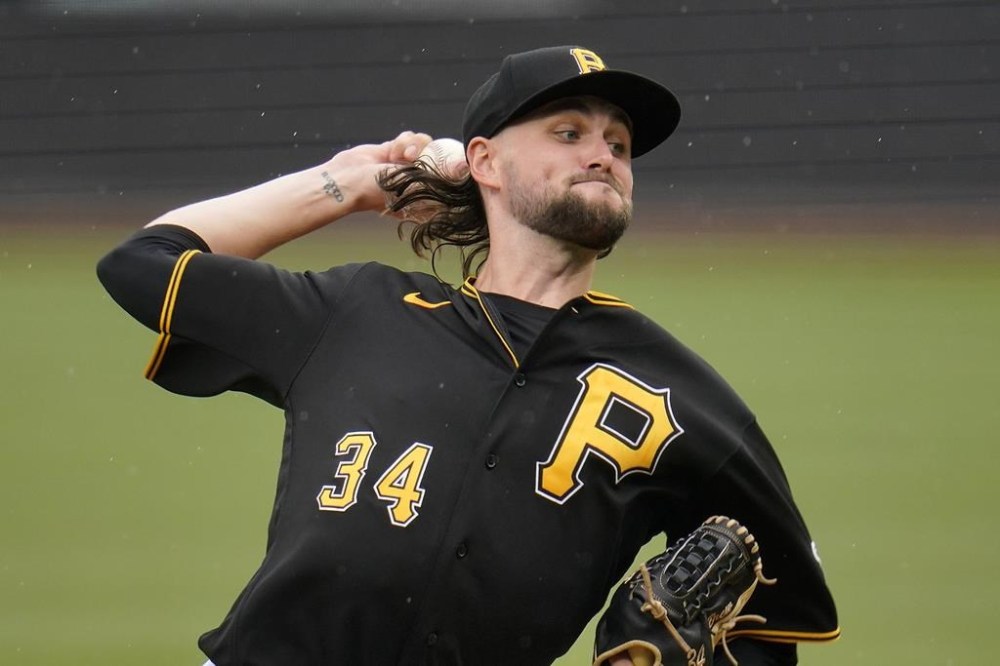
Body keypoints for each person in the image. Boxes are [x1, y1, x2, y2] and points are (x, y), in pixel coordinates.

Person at [97, 46, 839, 665]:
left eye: (619, 144)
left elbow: (775, 612)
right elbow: (143, 263)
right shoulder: (357, 312)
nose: (604, 156)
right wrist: (346, 185)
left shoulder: (678, 395)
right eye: (570, 132)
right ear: (482, 160)